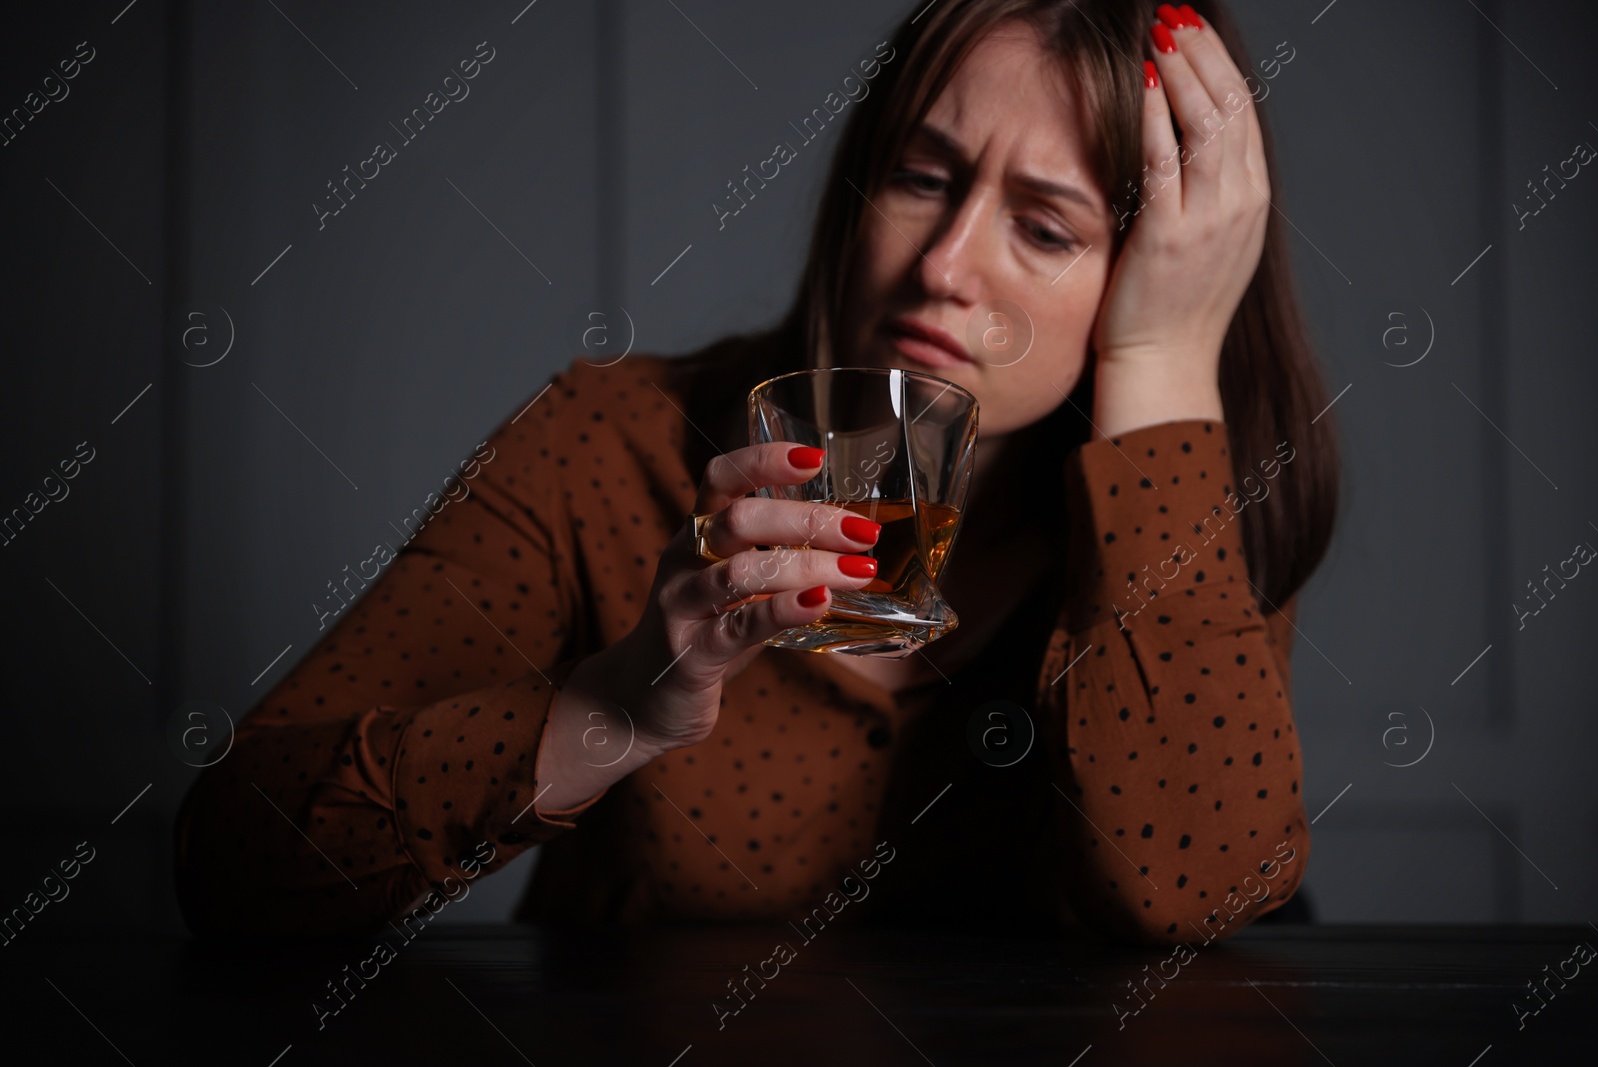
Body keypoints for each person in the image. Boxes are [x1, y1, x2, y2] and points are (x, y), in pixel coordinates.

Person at [174, 0, 1339, 945]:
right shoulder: (610, 443)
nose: (943, 264)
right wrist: (613, 708)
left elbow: (1197, 890)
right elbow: (234, 858)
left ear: (1163, 270)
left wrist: (1164, 357)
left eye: (1044, 227)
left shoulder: (1180, 494)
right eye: (922, 178)